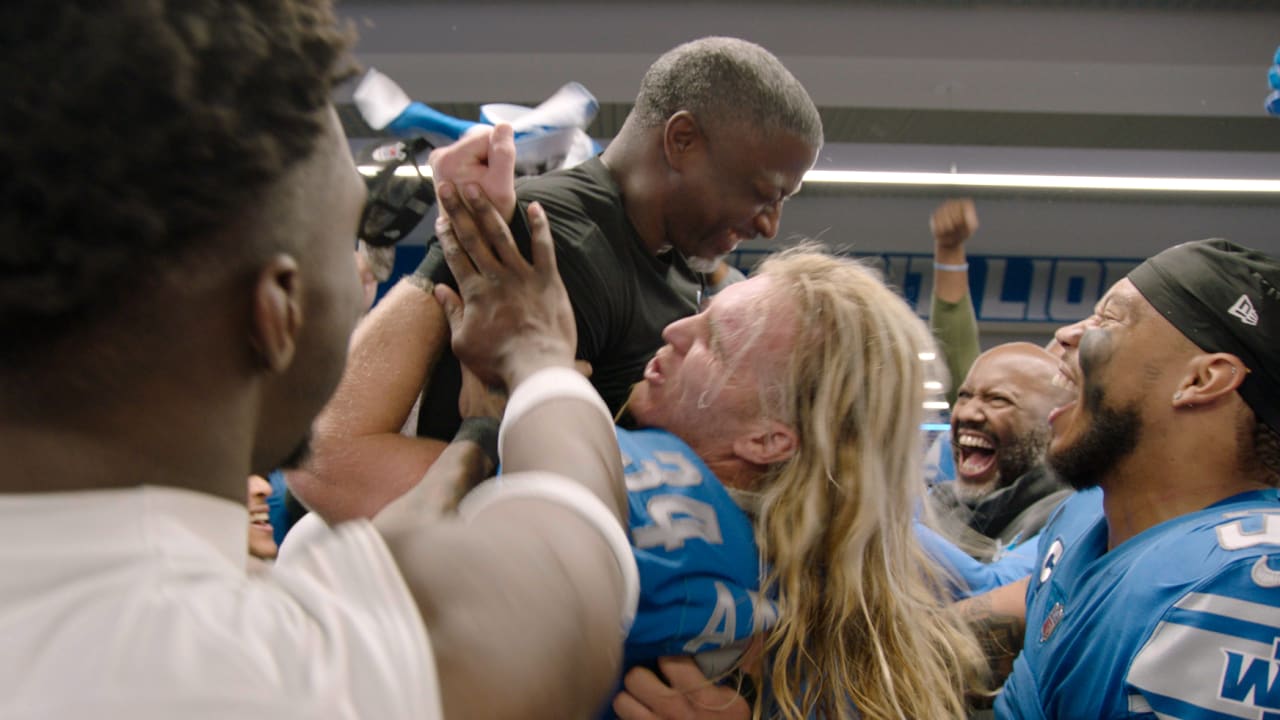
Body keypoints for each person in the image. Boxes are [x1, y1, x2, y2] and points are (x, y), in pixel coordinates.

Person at [0, 4, 637, 718]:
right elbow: (567, 578)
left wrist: (478, 435)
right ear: (275, 313)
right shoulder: (254, 671)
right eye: (345, 236)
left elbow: (388, 556)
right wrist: (541, 355)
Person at [302, 36, 823, 522]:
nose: (770, 225)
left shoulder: (678, 271)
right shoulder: (554, 240)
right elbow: (330, 467)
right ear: (681, 141)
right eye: (764, 194)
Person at [975, 239, 1280, 718]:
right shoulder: (1086, 517)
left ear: (1201, 380)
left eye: (1108, 318)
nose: (1067, 334)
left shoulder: (1243, 581)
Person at [930, 343, 1076, 561]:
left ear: (1055, 423)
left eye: (998, 399)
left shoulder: (1067, 520)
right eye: (964, 396)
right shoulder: (937, 508)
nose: (968, 413)